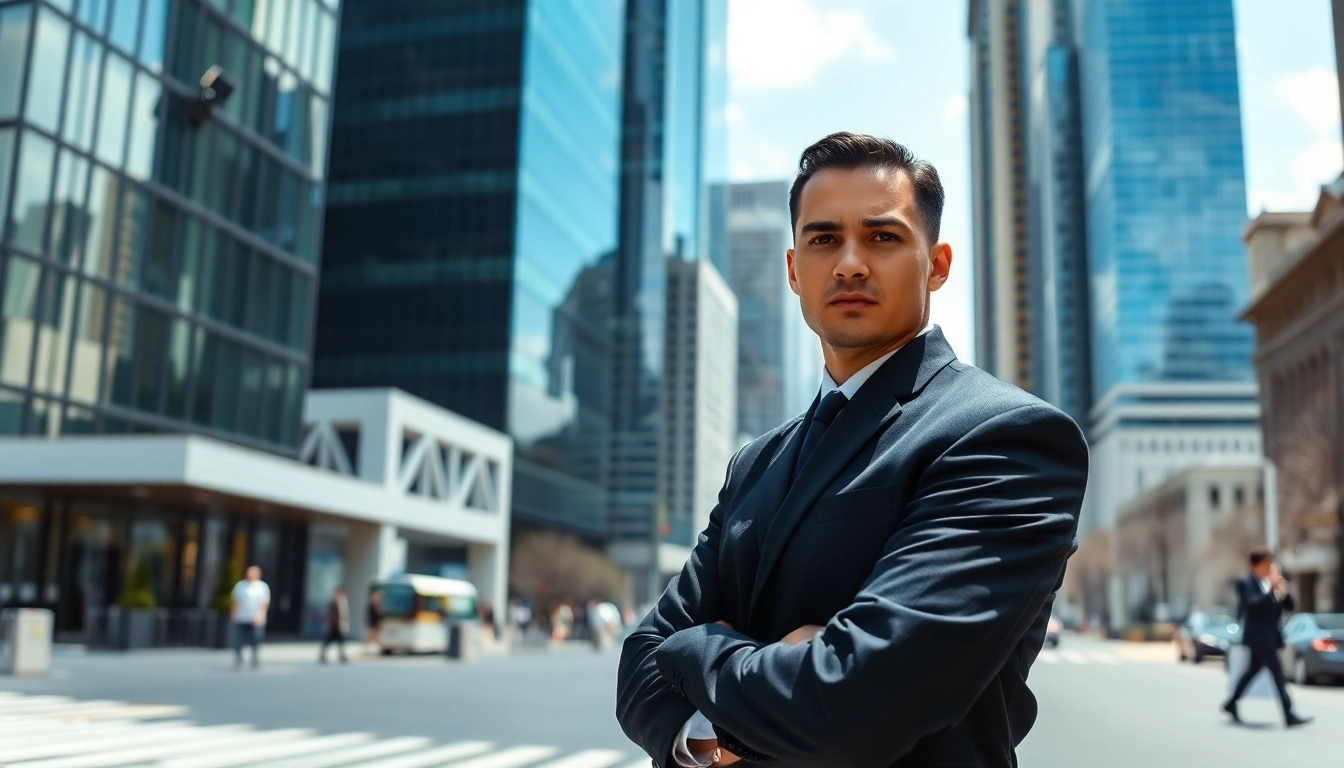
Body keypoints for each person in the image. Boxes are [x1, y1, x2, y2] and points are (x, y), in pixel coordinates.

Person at [615, 133, 1089, 768]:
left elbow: (855, 701)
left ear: (938, 263)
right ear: (792, 270)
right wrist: (712, 729)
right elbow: (640, 656)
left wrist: (696, 651)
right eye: (823, 239)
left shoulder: (1006, 436)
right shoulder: (756, 462)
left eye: (883, 237)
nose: (849, 264)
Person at [1221, 547, 1312, 727]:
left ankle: (1231, 703)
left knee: (1252, 672)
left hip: (1271, 636)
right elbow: (1251, 605)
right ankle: (1289, 714)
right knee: (1278, 675)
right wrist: (1269, 589)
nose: (1270, 567)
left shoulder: (1271, 582)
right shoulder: (1245, 582)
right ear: (1258, 564)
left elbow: (1289, 606)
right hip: (1257, 638)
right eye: (1267, 563)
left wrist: (1283, 591)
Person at [230, 565, 270, 672]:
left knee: (256, 638)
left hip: (255, 618)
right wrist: (234, 614)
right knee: (238, 639)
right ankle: (238, 660)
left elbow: (264, 603)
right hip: (242, 617)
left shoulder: (262, 587)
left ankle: (255, 657)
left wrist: (259, 615)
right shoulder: (240, 586)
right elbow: (235, 601)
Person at [320, 586, 350, 664]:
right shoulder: (333, 602)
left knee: (341, 641)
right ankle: (323, 655)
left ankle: (342, 655)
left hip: (339, 626)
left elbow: (343, 614)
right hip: (333, 625)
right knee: (329, 640)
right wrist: (338, 622)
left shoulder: (342, 602)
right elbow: (331, 615)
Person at [364, 589, 383, 654]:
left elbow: (380, 616)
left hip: (377, 625)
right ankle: (366, 649)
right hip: (372, 624)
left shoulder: (378, 605)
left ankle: (377, 649)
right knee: (370, 637)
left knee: (377, 637)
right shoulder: (371, 605)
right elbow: (369, 616)